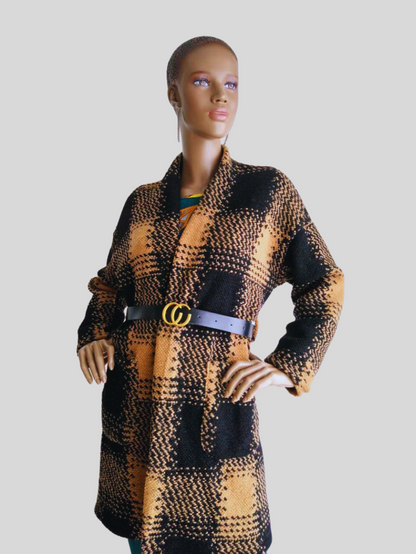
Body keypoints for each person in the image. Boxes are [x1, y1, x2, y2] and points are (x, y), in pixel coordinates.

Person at [76, 36, 344, 554]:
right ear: (174, 94)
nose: (221, 95)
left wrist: (288, 363)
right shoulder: (142, 202)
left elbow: (324, 283)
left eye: (232, 84)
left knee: (224, 534)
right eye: (202, 81)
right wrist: (94, 335)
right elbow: (110, 286)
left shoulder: (267, 192)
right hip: (137, 392)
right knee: (143, 535)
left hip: (216, 392)